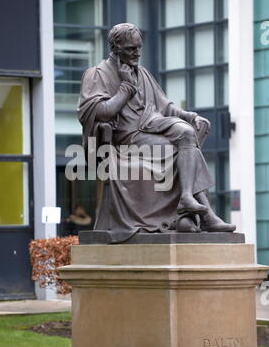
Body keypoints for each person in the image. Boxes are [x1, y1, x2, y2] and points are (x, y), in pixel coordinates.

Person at [78, 23, 235, 242]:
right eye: (131, 49)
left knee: (187, 132)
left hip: (152, 126)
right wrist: (125, 88)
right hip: (127, 141)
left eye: (139, 48)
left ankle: (188, 199)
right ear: (116, 47)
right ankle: (200, 215)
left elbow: (165, 106)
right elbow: (101, 113)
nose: (137, 53)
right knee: (183, 149)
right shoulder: (96, 74)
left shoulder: (142, 73)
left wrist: (189, 116)